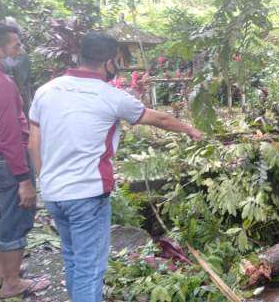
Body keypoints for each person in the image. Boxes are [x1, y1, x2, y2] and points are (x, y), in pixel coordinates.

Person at [28, 32, 204, 302]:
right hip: (87, 194)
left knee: (73, 258)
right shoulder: (110, 95)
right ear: (109, 62)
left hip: (53, 193)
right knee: (90, 269)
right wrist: (189, 129)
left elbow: (32, 145)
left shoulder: (46, 90)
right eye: (117, 62)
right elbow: (158, 119)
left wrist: (47, 181)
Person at [0, 21, 50, 298]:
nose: (19, 51)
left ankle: (2, 274)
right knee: (16, 220)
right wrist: (24, 179)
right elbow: (9, 134)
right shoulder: (0, 83)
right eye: (15, 45)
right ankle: (12, 284)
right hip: (5, 160)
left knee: (1, 216)